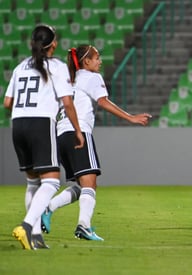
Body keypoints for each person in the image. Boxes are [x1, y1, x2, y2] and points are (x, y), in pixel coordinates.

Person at [40, 45, 152, 241]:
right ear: (86, 62)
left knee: (81, 184)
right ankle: (83, 225)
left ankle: (49, 208)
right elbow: (103, 102)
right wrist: (131, 118)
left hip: (61, 134)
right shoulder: (91, 77)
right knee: (90, 184)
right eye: (97, 58)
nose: (100, 61)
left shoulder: (68, 79)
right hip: (78, 132)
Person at [3, 24, 84, 250]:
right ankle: (27, 226)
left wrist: (23, 117)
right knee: (51, 181)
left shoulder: (20, 67)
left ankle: (35, 237)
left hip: (18, 123)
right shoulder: (56, 67)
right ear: (54, 44)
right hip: (41, 123)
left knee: (32, 182)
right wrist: (78, 131)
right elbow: (67, 103)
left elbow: (7, 102)